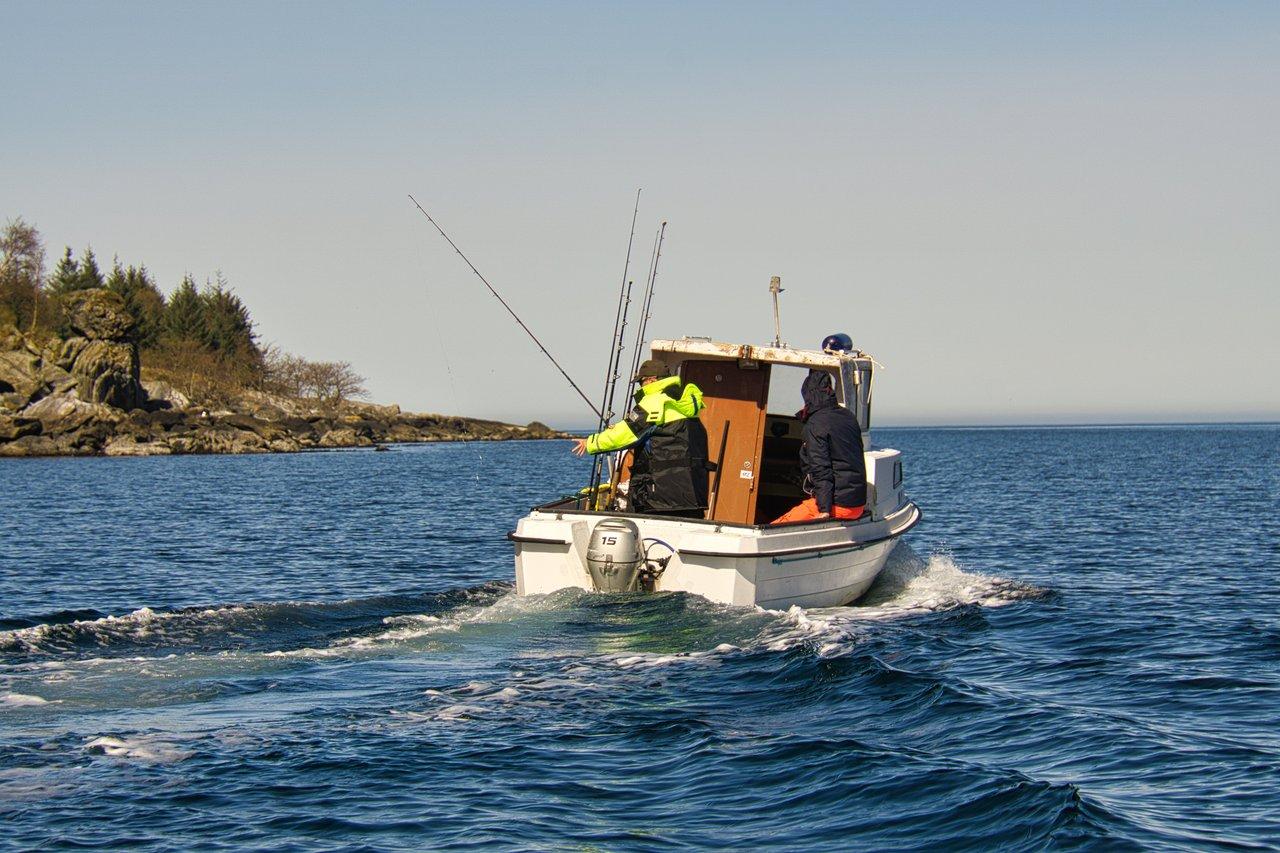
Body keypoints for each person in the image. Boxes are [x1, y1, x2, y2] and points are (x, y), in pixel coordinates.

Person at [572, 359, 709, 517]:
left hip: (658, 499)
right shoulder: (684, 404)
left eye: (641, 382)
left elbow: (623, 435)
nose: (640, 386)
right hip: (690, 497)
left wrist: (591, 442)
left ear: (651, 380)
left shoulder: (654, 401)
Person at [772, 369, 867, 523]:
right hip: (856, 505)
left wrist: (824, 510)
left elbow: (821, 469)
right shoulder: (848, 416)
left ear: (809, 395)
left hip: (837, 505)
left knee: (774, 527)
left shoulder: (815, 424)